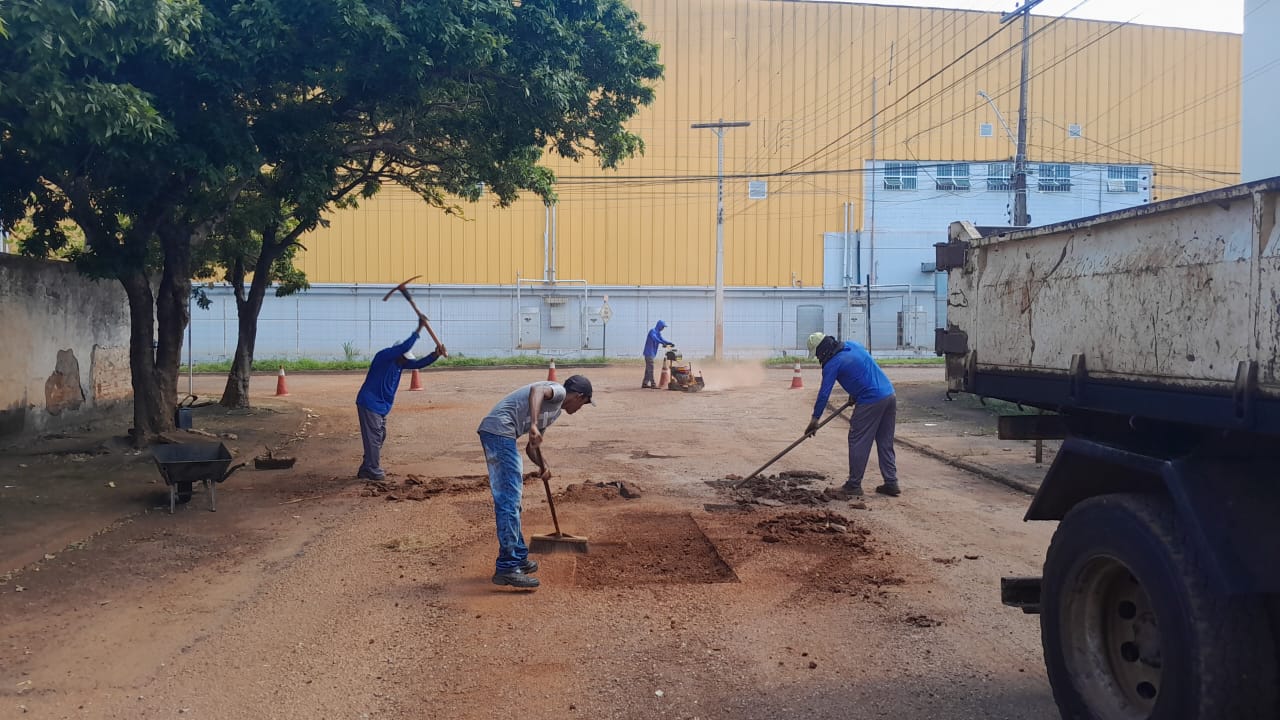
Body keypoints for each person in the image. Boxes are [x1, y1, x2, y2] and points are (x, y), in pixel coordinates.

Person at [477, 375, 595, 589]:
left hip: (503, 434)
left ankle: (519, 557)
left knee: (513, 501)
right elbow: (537, 391)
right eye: (584, 403)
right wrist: (531, 424)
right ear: (579, 396)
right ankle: (508, 567)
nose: (581, 408)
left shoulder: (553, 413)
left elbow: (532, 447)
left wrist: (544, 466)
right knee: (508, 500)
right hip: (499, 431)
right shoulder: (557, 391)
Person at [805, 335, 900, 497]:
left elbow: (824, 394)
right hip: (889, 394)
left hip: (871, 400)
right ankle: (891, 482)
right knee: (885, 441)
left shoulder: (832, 364)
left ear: (822, 350)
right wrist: (856, 391)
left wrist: (815, 419)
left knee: (858, 439)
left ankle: (854, 485)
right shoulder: (853, 345)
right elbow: (863, 368)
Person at [355, 317, 446, 481]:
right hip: (369, 403)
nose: (406, 360)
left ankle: (367, 467)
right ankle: (373, 469)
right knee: (374, 437)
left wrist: (435, 355)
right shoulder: (384, 356)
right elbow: (404, 347)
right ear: (397, 352)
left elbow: (418, 364)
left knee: (379, 436)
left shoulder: (400, 363)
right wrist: (419, 329)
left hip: (381, 406)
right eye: (404, 356)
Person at [641, 320, 674, 388]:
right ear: (659, 326)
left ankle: (645, 383)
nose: (663, 328)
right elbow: (655, 339)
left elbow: (662, 339)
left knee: (648, 369)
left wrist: (669, 343)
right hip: (648, 353)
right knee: (651, 369)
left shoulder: (658, 333)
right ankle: (653, 384)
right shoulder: (652, 331)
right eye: (663, 327)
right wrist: (662, 343)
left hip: (652, 354)